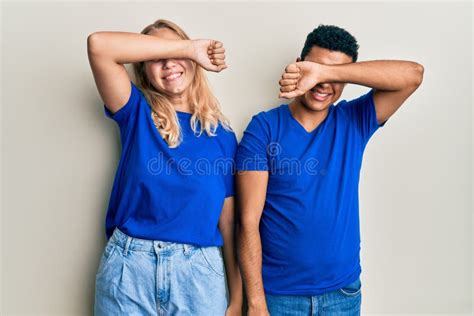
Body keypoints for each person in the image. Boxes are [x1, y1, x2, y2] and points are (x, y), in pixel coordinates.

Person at [236, 24, 423, 315]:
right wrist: (256, 302)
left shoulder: (354, 120)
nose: (322, 85)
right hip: (279, 297)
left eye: (335, 75)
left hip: (342, 294)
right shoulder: (264, 128)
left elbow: (413, 75)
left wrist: (326, 73)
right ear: (299, 66)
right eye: (314, 69)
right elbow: (247, 223)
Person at [87, 19, 242, 315]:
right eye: (156, 58)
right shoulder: (136, 112)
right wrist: (187, 48)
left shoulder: (221, 136)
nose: (169, 64)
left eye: (178, 56)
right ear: (144, 69)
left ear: (193, 63)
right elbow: (98, 45)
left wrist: (236, 298)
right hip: (129, 270)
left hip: (198, 274)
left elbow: (229, 223)